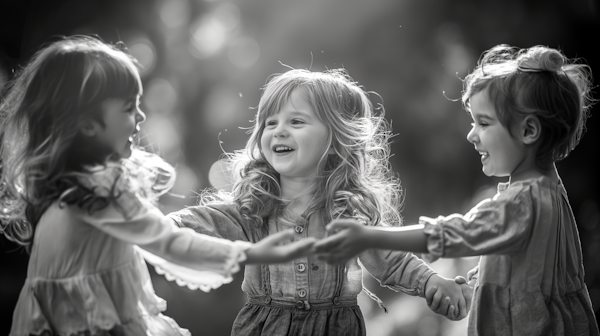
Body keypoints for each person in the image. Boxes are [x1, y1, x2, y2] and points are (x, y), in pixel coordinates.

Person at [0, 35, 316, 336]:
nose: (140, 117)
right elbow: (170, 243)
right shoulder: (102, 191)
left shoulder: (60, 191)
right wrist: (251, 253)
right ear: (87, 123)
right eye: (128, 108)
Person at [314, 45, 599, 335]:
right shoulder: (550, 192)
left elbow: (456, 234)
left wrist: (368, 235)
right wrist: (476, 284)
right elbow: (525, 272)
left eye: (484, 123)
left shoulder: (521, 202)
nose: (471, 134)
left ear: (528, 131)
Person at [168, 68, 471, 336]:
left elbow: (390, 258)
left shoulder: (348, 211)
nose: (279, 131)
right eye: (270, 123)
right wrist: (158, 227)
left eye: (297, 121)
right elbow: (204, 221)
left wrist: (431, 282)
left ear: (335, 138)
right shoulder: (254, 208)